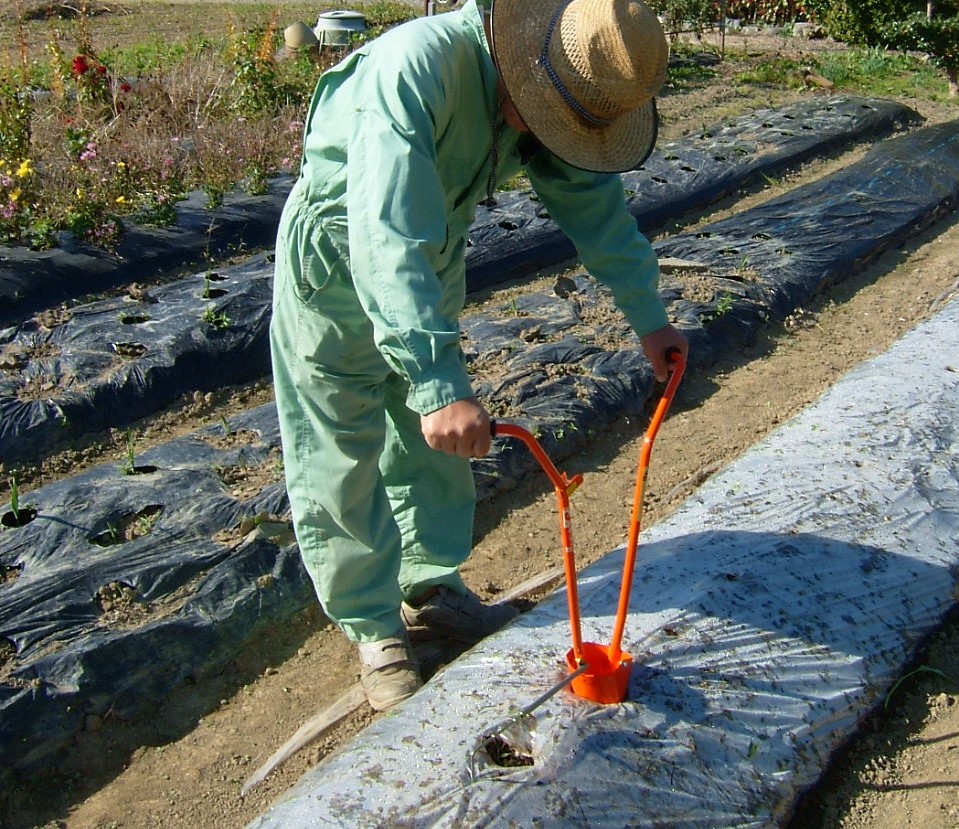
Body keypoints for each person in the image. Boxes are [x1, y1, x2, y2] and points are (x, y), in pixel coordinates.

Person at [270, 0, 689, 712]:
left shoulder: (554, 78)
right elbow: (385, 232)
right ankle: (375, 629)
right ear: (527, 66)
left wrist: (649, 317)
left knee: (431, 448)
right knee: (340, 448)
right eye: (557, 118)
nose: (560, 139)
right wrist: (437, 382)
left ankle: (430, 588)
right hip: (340, 262)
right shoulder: (414, 71)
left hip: (428, 263)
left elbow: (592, 205)